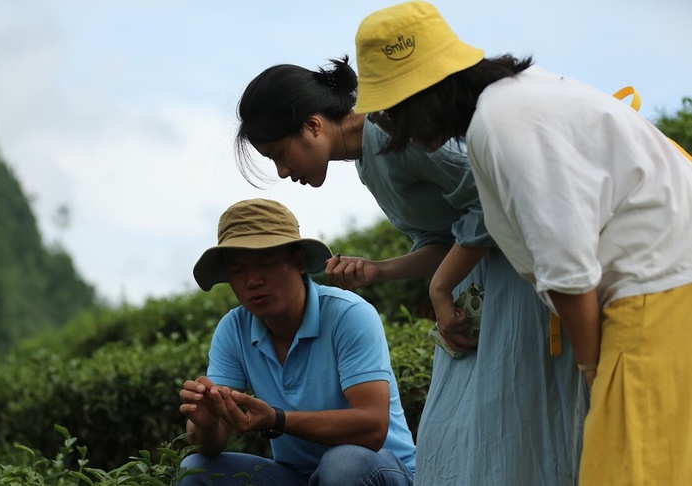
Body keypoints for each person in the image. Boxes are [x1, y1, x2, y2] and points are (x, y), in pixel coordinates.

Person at [351, 1, 692, 485]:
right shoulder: (518, 100)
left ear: (420, 97)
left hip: (660, 290)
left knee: (631, 470)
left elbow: (568, 268)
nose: (388, 128)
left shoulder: (502, 123)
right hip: (663, 284)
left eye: (389, 112)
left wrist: (592, 370)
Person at [235, 57, 585, 484]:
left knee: (521, 420)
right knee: (471, 431)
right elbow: (442, 241)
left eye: (278, 154)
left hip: (519, 281)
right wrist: (377, 271)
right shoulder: (367, 159)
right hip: (480, 293)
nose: (283, 172)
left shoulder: (388, 129)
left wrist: (440, 291)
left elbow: (490, 195)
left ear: (312, 126)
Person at [178, 198, 416, 486]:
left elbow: (373, 428)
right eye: (238, 270)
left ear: (299, 262)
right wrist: (205, 424)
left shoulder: (348, 315)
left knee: (342, 465)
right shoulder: (234, 328)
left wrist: (277, 419)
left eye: (265, 264)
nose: (252, 281)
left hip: (378, 470)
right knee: (196, 468)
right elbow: (211, 444)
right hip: (296, 477)